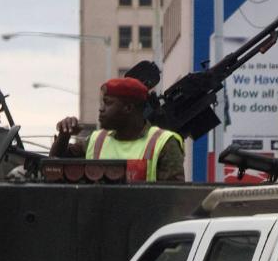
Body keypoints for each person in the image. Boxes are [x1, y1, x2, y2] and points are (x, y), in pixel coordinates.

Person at [50, 77, 185, 182]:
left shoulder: (164, 143)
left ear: (128, 108)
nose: (101, 109)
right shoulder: (97, 140)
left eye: (108, 103)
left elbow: (173, 200)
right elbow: (53, 167)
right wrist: (64, 135)